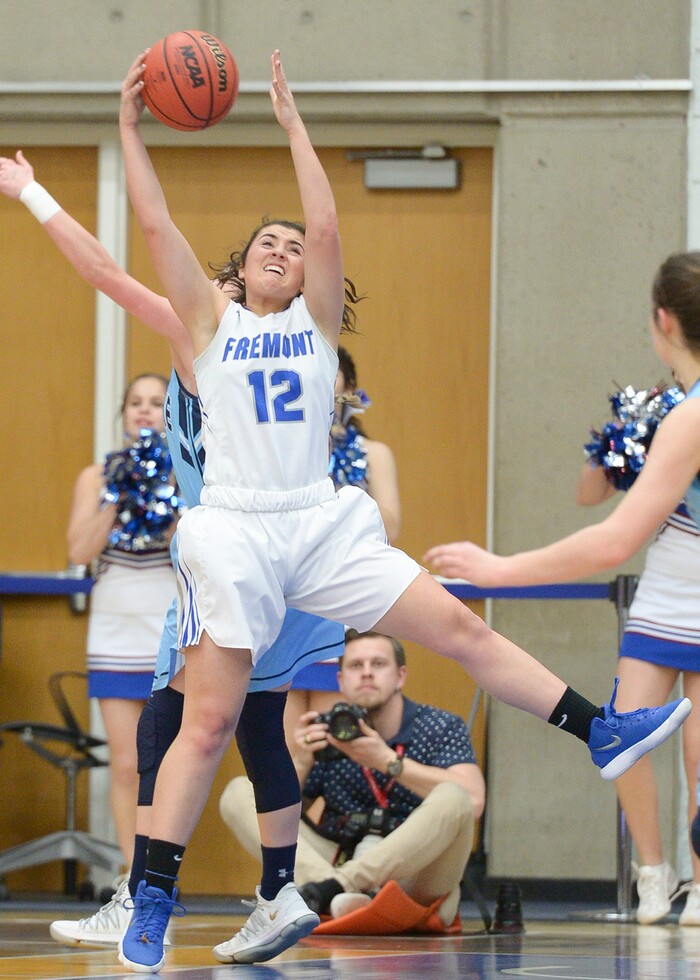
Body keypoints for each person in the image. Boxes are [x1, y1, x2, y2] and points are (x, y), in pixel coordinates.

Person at [116, 47, 689, 974]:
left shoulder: (314, 328)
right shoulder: (206, 331)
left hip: (316, 517)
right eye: (266, 241)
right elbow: (150, 221)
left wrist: (293, 123)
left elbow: (328, 217)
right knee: (210, 721)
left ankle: (602, 729)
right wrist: (130, 129)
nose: (282, 247)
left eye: (293, 247)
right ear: (239, 269)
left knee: (457, 625)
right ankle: (153, 895)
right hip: (235, 525)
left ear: (310, 279)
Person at [0, 150, 344, 962]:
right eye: (260, 245)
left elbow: (108, 270)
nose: (264, 258)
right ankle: (273, 887)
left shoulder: (215, 343)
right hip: (293, 551)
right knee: (255, 724)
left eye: (289, 249)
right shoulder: (284, 342)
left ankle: (146, 893)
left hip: (233, 551)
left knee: (170, 726)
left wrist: (34, 193)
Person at [424, 251, 700, 927]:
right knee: (627, 730)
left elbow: (611, 541)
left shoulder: (689, 417)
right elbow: (597, 499)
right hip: (670, 588)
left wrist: (497, 569)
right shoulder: (674, 412)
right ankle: (654, 873)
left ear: (662, 319)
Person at [220, 628, 485, 928]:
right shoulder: (333, 730)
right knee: (239, 793)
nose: (367, 674)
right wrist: (303, 761)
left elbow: (473, 801)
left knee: (455, 795)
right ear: (341, 682)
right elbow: (279, 817)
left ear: (400, 676)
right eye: (356, 666)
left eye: (378, 664)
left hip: (416, 872)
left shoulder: (439, 726)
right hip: (336, 856)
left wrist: (386, 761)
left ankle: (334, 889)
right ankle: (337, 891)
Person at [67, 372, 177, 863]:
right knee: (127, 763)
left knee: (167, 763)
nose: (145, 410)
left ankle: (160, 877)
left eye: (156, 402)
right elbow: (79, 549)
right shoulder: (96, 476)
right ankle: (131, 877)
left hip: (170, 624)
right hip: (114, 625)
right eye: (136, 402)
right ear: (124, 413)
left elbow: (194, 551)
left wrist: (163, 495)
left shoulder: (187, 474)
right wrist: (117, 492)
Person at [285, 344, 402, 742]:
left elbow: (390, 526)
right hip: (288, 596)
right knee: (286, 743)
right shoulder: (280, 453)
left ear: (348, 387)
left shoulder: (373, 453)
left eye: (330, 371)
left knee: (337, 740)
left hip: (344, 597)